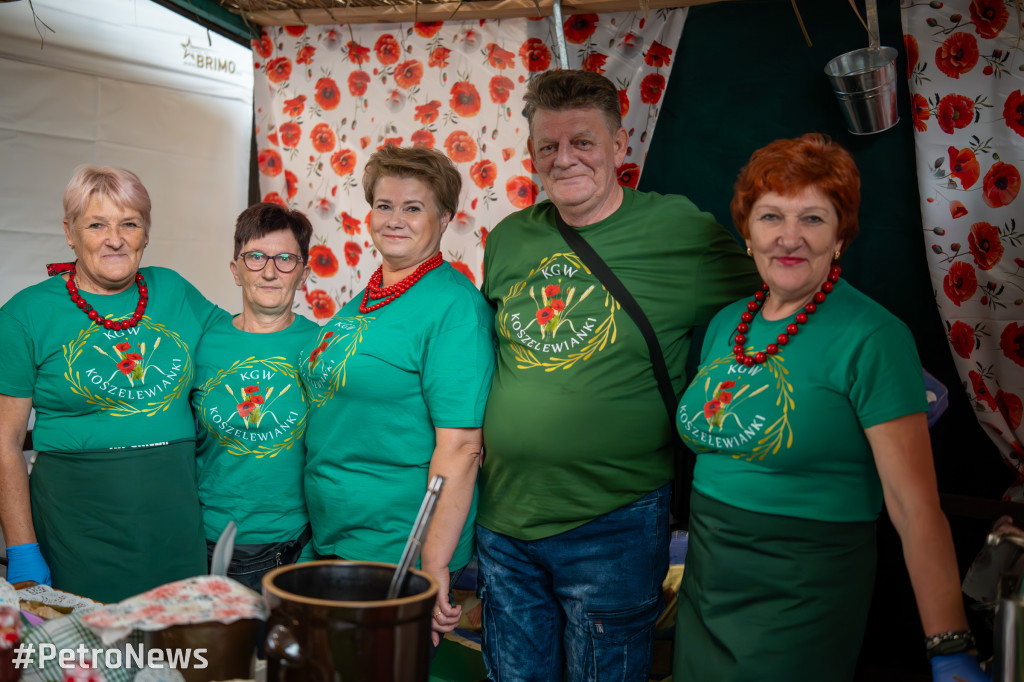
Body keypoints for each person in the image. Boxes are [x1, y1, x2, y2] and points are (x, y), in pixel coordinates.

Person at [477, 69, 760, 681]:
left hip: (615, 522)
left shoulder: (680, 233)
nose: (565, 159)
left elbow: (774, 301)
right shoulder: (507, 240)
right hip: (503, 522)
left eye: (582, 141)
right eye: (548, 147)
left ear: (618, 145)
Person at [672, 134, 986, 682]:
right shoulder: (726, 324)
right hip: (707, 583)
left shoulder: (875, 337)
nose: (789, 238)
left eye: (813, 219)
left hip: (802, 590)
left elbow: (915, 509)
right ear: (747, 233)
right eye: (771, 216)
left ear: (840, 237)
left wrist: (949, 643)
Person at [0, 166, 225, 602]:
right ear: (70, 232)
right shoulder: (24, 315)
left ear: (146, 233)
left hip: (175, 527)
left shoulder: (174, 290)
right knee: (93, 661)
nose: (114, 238)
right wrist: (22, 548)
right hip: (76, 532)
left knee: (180, 657)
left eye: (129, 224)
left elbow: (240, 343)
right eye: (97, 224)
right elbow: (4, 442)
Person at [300, 145, 495, 647]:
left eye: (414, 207)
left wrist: (430, 569)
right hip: (333, 538)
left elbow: (461, 448)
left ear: (445, 218)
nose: (395, 220)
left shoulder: (452, 308)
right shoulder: (365, 300)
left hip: (395, 549)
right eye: (384, 205)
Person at [190, 203, 318, 591]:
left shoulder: (322, 347)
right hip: (206, 542)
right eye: (256, 256)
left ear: (303, 273)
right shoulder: (202, 344)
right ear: (235, 270)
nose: (268, 271)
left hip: (294, 546)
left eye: (285, 259)